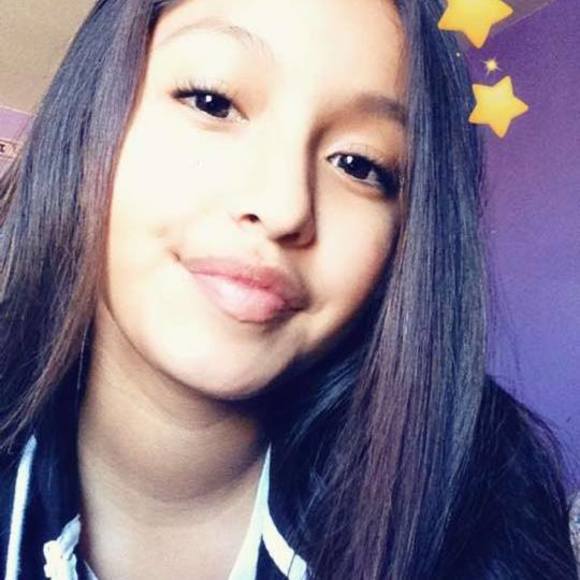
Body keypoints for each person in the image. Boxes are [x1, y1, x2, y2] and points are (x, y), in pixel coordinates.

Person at [0, 0, 578, 578]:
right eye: (212, 102)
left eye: (358, 163)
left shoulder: (488, 509)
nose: (284, 207)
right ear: (88, 120)